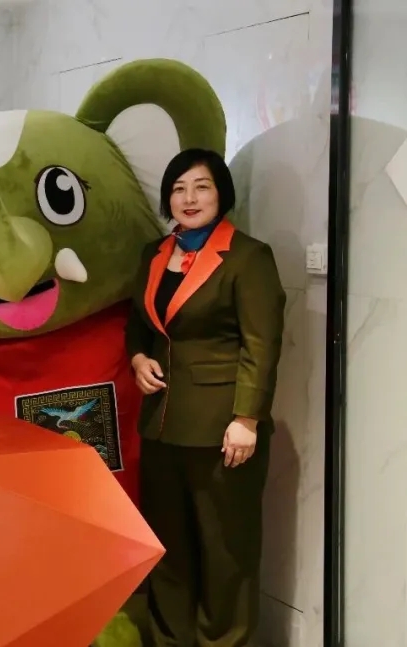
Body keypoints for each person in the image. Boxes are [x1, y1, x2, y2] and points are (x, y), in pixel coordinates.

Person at [124, 148, 286, 646]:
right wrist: (138, 358)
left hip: (223, 430)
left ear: (222, 194)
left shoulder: (248, 257)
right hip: (161, 423)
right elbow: (139, 324)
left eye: (201, 187)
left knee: (225, 552)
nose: (189, 198)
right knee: (168, 549)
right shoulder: (153, 253)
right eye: (178, 188)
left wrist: (247, 418)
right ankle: (170, 639)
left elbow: (261, 343)